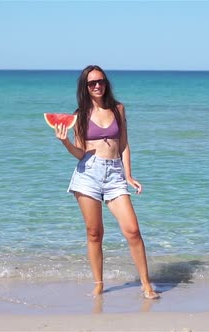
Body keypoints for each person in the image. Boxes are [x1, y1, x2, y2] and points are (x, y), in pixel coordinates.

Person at [54, 65, 159, 300]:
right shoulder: (80, 114)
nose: (97, 86)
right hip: (88, 173)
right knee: (94, 233)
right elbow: (81, 152)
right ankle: (99, 284)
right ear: (86, 87)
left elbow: (123, 144)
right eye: (92, 83)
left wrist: (128, 175)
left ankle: (146, 284)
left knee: (132, 230)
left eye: (100, 81)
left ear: (106, 82)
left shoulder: (118, 109)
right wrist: (65, 142)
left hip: (114, 174)